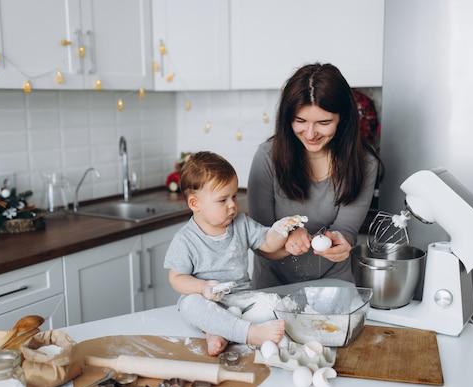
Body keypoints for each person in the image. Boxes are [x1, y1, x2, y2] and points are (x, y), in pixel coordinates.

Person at [247, 63, 383, 289]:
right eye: (300, 121)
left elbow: (347, 230)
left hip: (334, 286)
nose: (310, 134)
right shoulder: (267, 157)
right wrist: (284, 240)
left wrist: (342, 244)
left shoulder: (364, 162)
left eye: (323, 123)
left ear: (343, 119)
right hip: (272, 287)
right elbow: (259, 241)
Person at [164, 151, 307, 356]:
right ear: (195, 204)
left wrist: (280, 229)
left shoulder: (241, 223)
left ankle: (219, 330)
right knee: (189, 304)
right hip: (208, 301)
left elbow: (267, 243)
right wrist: (202, 287)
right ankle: (250, 332)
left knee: (273, 303)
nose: (232, 205)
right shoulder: (185, 240)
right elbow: (176, 278)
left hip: (242, 299)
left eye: (233, 196)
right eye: (222, 200)